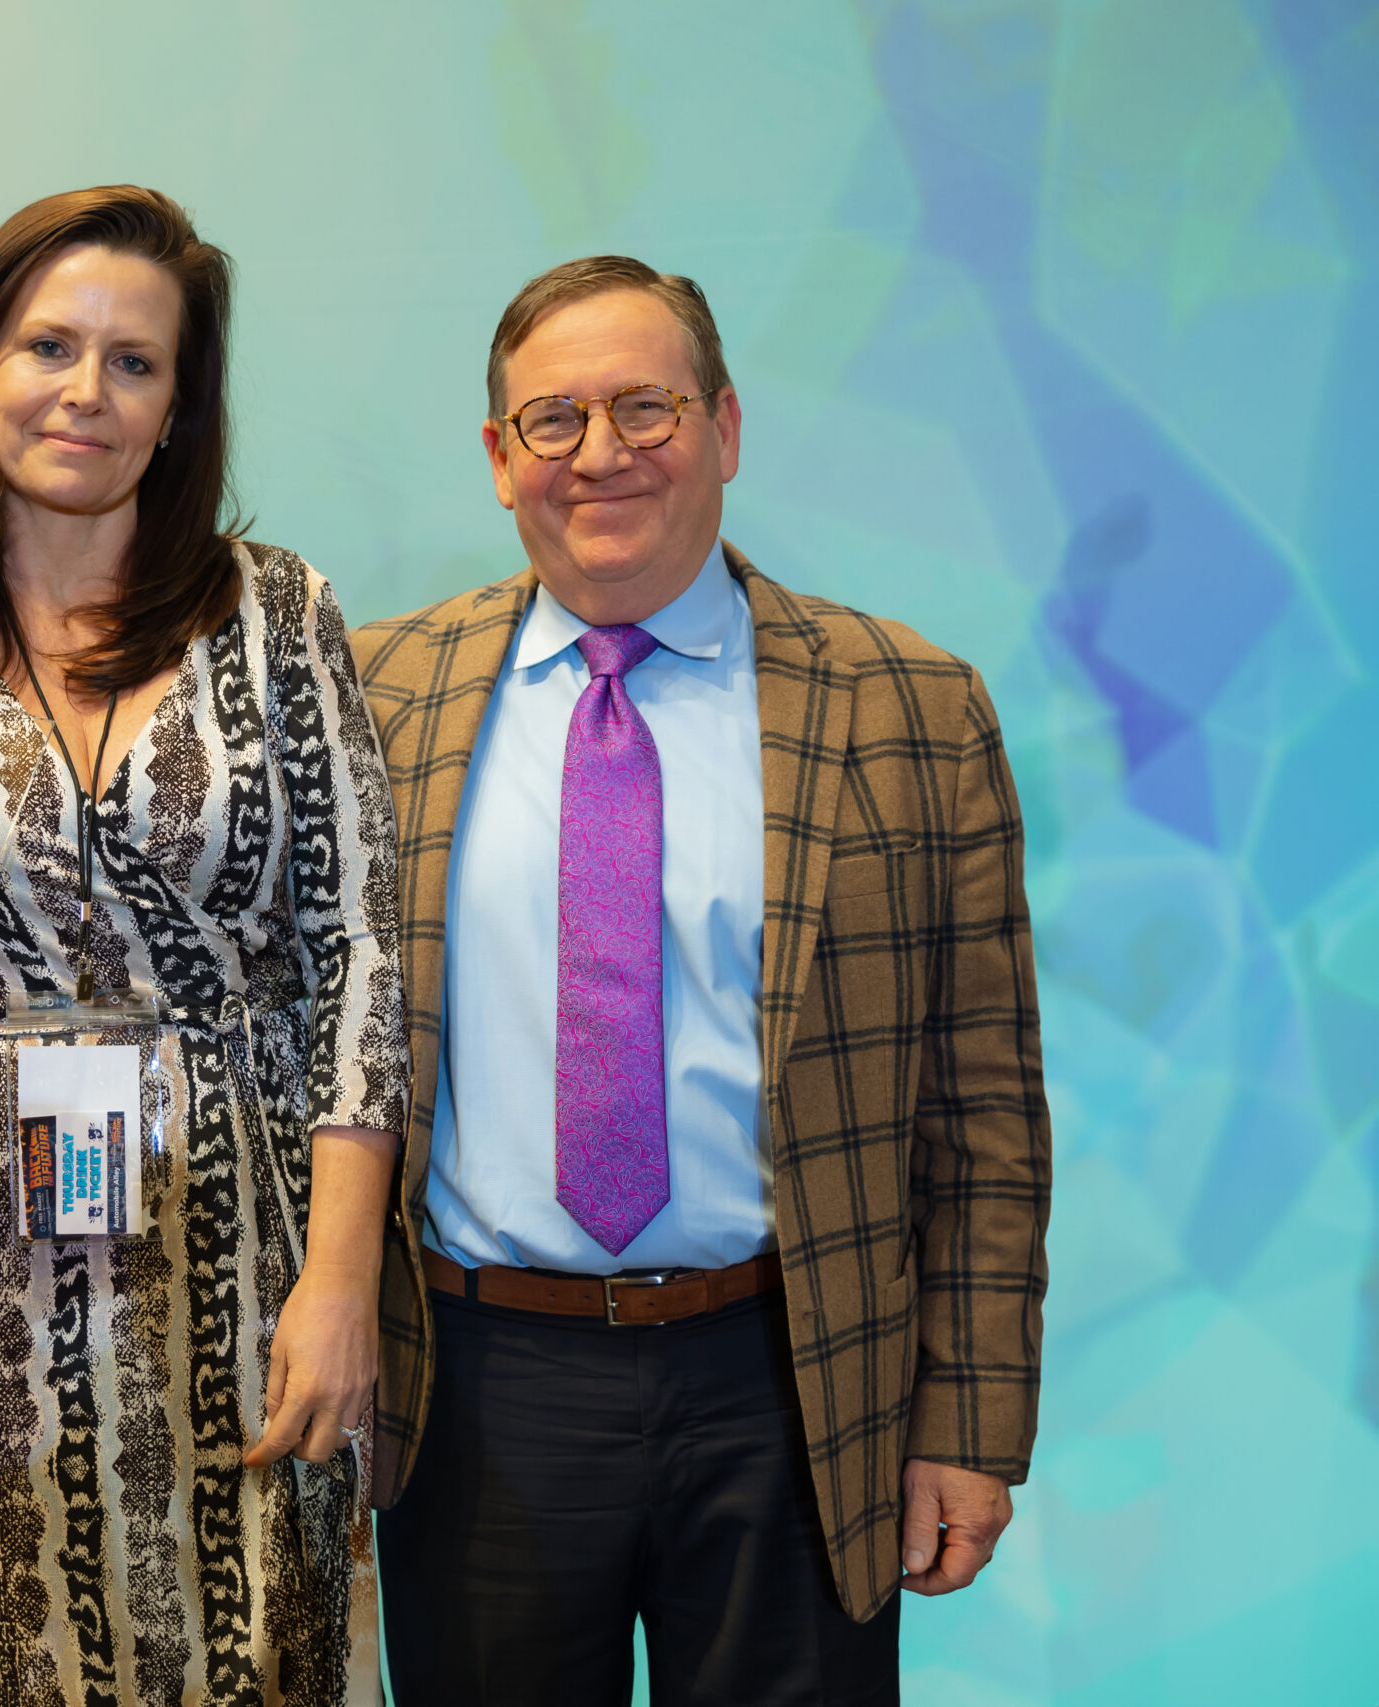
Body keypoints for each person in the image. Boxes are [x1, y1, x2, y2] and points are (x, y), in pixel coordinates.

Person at [350, 256, 1051, 1706]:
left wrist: (971, 1422)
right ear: (499, 461)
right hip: (482, 1386)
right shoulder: (376, 697)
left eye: (646, 407)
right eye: (554, 420)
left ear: (726, 429)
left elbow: (984, 1111)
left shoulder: (910, 708)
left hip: (794, 1383)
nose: (600, 453)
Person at [0, 186, 409, 1706]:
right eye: (48, 345)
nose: (86, 390)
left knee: (260, 1656)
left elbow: (358, 963)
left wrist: (341, 1285)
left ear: (181, 405)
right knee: (1, 1661)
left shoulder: (278, 615)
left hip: (245, 1258)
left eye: (136, 362)